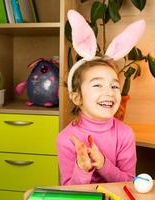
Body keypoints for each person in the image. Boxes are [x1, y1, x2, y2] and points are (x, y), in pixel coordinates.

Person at [56, 10, 146, 185]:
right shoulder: (65, 139)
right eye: (97, 85)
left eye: (114, 86)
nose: (109, 92)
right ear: (77, 97)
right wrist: (83, 169)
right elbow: (69, 192)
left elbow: (129, 182)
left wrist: (104, 164)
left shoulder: (125, 134)